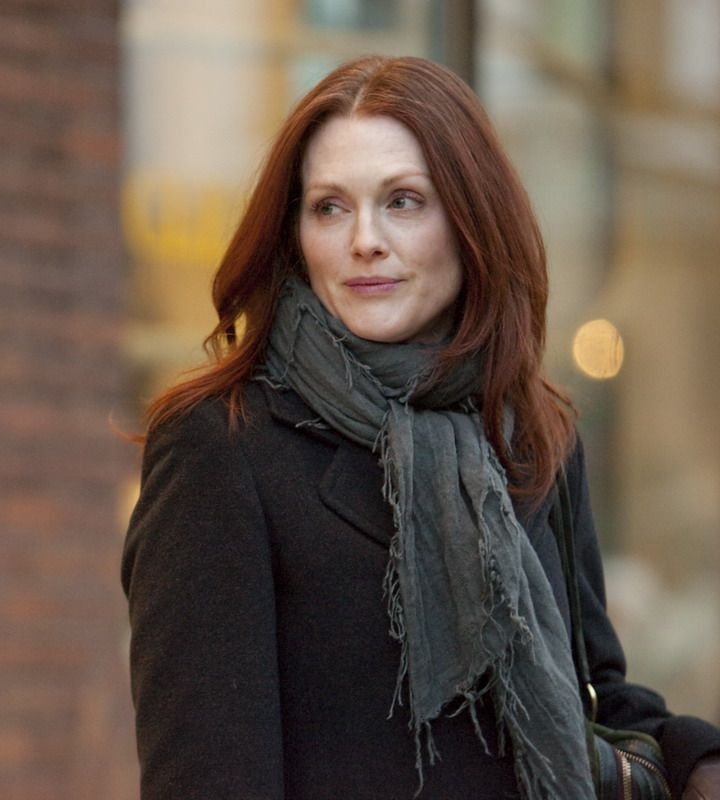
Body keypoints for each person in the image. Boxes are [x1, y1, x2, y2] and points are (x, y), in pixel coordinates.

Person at [120, 55, 720, 799]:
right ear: (295, 234)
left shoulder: (533, 432)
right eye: (329, 207)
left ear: (472, 221)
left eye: (403, 201)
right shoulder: (221, 447)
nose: (364, 239)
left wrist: (695, 761)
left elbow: (593, 692)